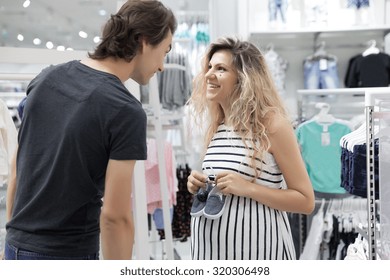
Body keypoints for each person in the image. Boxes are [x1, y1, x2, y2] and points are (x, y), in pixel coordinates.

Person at [4, 0, 176, 260]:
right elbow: (115, 217)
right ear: (143, 41)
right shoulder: (125, 110)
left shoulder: (46, 79)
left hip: (16, 245)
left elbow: (19, 168)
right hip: (66, 255)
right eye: (165, 51)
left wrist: (13, 238)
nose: (162, 66)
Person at [187, 37, 315, 260]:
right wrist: (199, 184)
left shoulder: (272, 125)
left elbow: (305, 201)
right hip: (211, 253)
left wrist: (248, 188)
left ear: (244, 78)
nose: (208, 75)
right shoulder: (219, 126)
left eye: (221, 69)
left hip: (258, 251)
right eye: (209, 67)